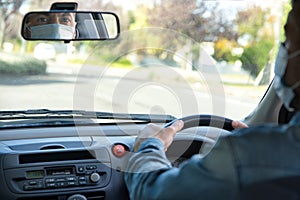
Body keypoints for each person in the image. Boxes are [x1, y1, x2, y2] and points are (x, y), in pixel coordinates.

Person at [125, 0, 300, 199]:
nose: (283, 50)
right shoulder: (261, 156)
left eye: (288, 38)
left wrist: (148, 147)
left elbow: (153, 192)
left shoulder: (244, 159)